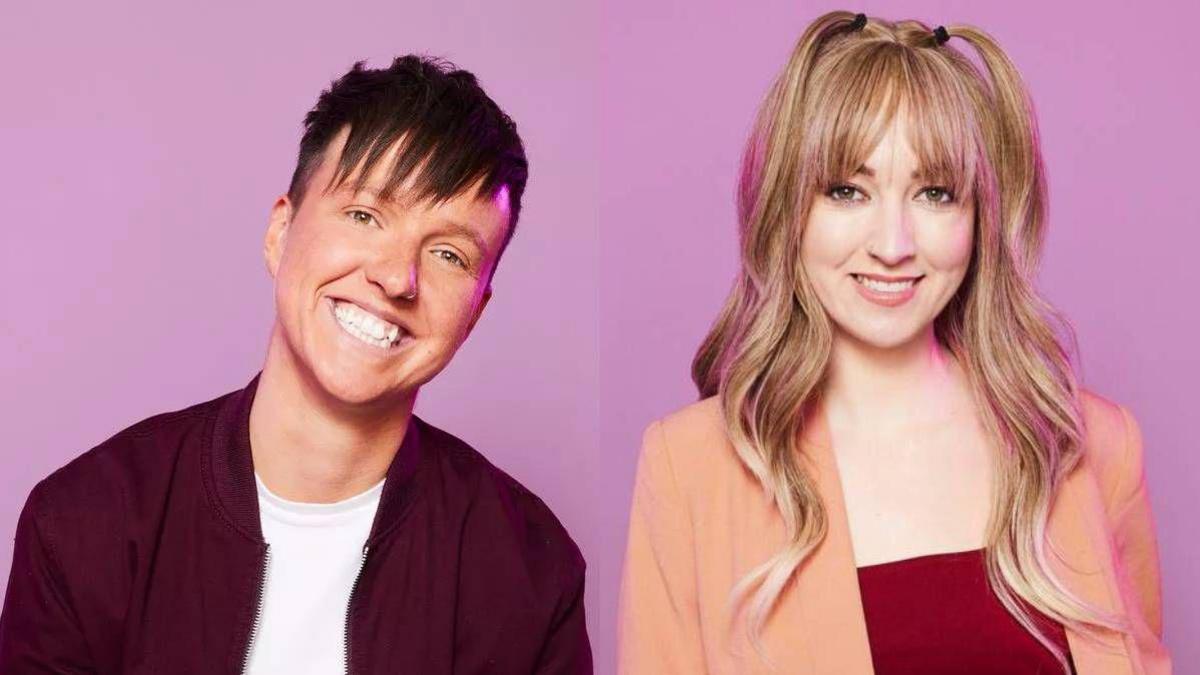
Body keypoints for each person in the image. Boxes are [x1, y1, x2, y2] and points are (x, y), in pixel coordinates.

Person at [617, 11, 1170, 675]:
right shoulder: (691, 467)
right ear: (787, 209)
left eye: (935, 193)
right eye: (847, 190)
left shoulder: (1092, 445)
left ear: (980, 218)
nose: (892, 244)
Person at [0, 55, 592, 674]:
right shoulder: (87, 523)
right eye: (365, 216)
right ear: (280, 233)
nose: (396, 277)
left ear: (476, 310)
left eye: (448, 254)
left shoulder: (529, 571)